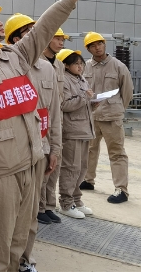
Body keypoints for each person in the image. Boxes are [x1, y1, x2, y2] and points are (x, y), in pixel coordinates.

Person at [0, 0, 99, 272]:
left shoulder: (16, 57)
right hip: (0, 171)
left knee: (19, 240)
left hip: (30, 162)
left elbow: (44, 27)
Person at [4, 14, 62, 272]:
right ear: (16, 39)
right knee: (8, 214)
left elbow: (55, 112)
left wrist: (55, 149)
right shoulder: (7, 68)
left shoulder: (48, 68)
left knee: (30, 212)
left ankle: (25, 259)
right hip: (13, 153)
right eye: (28, 32)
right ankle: (6, 261)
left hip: (41, 149)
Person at [81, 32, 134, 204]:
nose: (97, 48)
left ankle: (121, 189)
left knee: (117, 153)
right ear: (88, 49)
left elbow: (127, 92)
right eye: (93, 45)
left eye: (100, 44)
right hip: (92, 116)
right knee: (89, 150)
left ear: (104, 44)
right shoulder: (85, 67)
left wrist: (117, 109)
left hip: (111, 118)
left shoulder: (118, 66)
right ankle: (88, 180)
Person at [57, 49, 95, 219]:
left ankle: (76, 199)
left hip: (85, 129)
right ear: (66, 65)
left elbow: (83, 103)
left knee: (82, 167)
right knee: (71, 167)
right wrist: (84, 97)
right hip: (72, 130)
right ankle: (66, 203)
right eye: (76, 64)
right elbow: (64, 104)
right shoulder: (64, 80)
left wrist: (94, 102)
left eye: (81, 63)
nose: (80, 67)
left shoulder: (81, 79)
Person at [38, 28, 68, 225]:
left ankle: (49, 205)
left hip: (57, 120)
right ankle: (39, 208)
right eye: (57, 38)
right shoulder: (36, 62)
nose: (61, 42)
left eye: (62, 39)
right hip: (41, 121)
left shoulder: (59, 65)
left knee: (54, 165)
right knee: (42, 166)